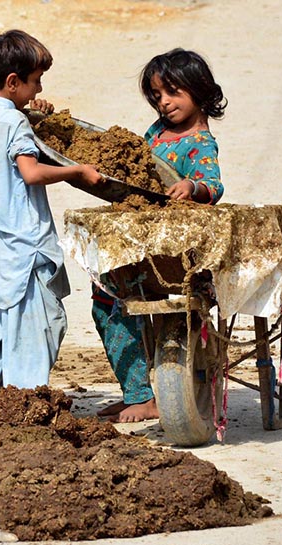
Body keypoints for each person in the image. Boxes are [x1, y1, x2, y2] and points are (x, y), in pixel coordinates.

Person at [93, 48, 227, 422]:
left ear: (198, 91)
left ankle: (145, 397)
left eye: (172, 93)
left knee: (125, 296)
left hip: (173, 252)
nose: (164, 103)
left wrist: (192, 187)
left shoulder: (200, 142)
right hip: (140, 241)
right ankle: (135, 389)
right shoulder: (155, 132)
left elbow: (213, 186)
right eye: (157, 96)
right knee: (105, 300)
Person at [0, 29, 104, 389]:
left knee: (1, 331)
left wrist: (28, 115)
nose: (40, 90)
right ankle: (25, 406)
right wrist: (76, 170)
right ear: (13, 82)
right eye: (36, 81)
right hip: (25, 247)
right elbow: (30, 172)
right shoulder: (14, 122)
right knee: (36, 331)